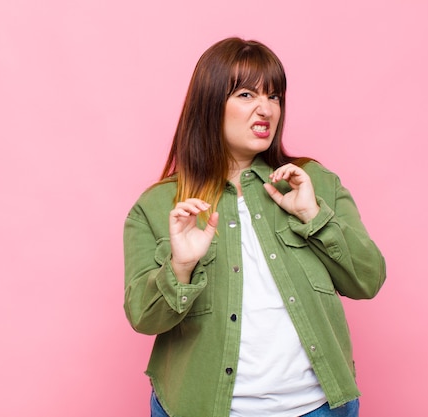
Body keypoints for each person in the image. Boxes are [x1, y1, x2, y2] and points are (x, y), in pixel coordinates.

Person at [123, 37, 386, 417]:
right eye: (247, 94)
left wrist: (314, 216)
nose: (266, 109)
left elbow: (368, 280)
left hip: (317, 408)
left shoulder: (312, 182)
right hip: (199, 407)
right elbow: (144, 318)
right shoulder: (158, 207)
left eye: (275, 96)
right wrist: (180, 268)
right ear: (210, 103)